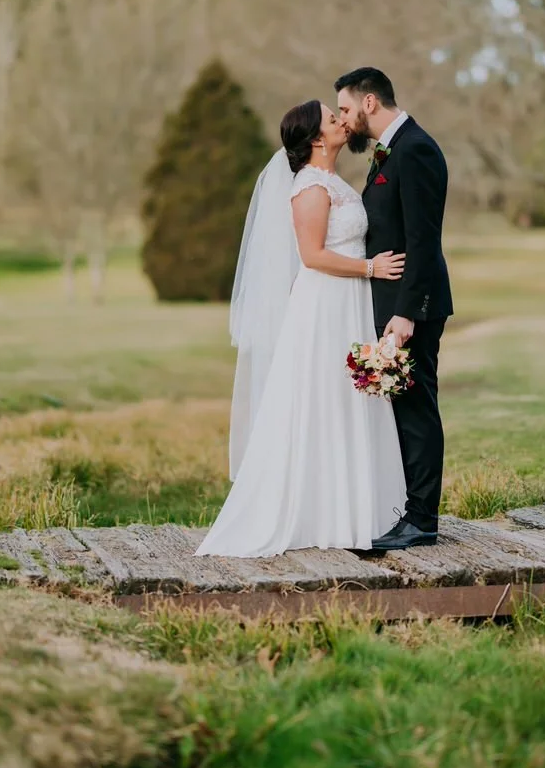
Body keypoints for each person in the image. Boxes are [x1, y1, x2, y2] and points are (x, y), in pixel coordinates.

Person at [194, 99, 407, 558]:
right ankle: (316, 514)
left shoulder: (333, 181)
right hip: (326, 304)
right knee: (324, 398)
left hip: (348, 302)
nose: (342, 121)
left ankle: (355, 511)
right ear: (315, 139)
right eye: (332, 119)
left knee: (348, 399)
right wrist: (370, 268)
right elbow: (312, 256)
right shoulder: (310, 186)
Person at [336, 67, 453, 551]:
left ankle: (422, 519)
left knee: (416, 408)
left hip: (413, 308)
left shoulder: (415, 149)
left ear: (369, 102)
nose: (343, 119)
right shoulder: (391, 149)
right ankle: (408, 510)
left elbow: (423, 240)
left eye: (345, 108)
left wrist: (406, 313)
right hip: (394, 305)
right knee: (403, 408)